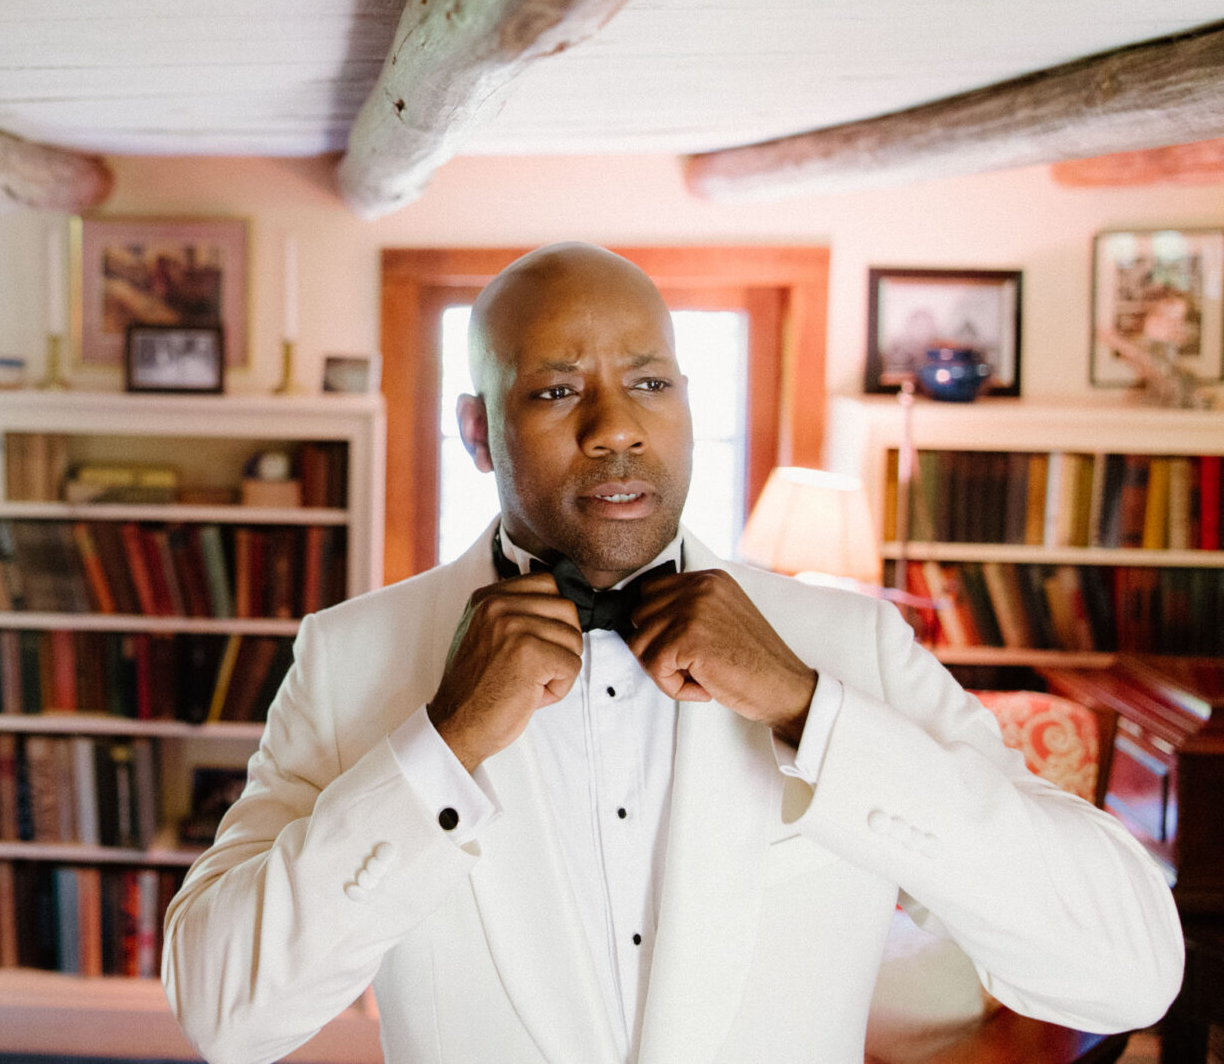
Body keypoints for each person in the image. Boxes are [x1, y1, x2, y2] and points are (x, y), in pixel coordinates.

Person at [162, 243, 1181, 1064]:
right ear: (476, 431)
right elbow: (224, 1016)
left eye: (649, 381)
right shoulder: (350, 657)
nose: (616, 428)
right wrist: (442, 742)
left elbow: (1126, 971)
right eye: (557, 392)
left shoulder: (848, 645)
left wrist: (808, 710)